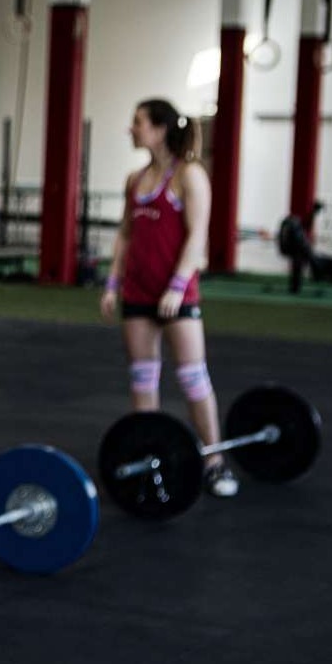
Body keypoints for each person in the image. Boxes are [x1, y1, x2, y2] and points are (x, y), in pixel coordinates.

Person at [100, 99, 236, 497]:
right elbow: (126, 233)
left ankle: (214, 462)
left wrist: (177, 286)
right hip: (138, 292)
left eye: (138, 122)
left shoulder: (189, 175)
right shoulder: (135, 179)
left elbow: (198, 235)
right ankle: (149, 460)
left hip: (176, 294)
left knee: (194, 376)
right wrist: (112, 283)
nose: (132, 129)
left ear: (159, 129)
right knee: (143, 377)